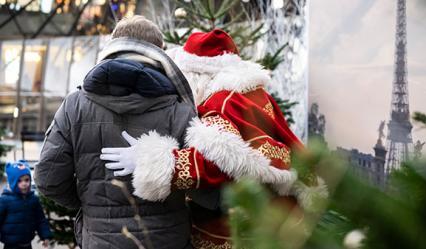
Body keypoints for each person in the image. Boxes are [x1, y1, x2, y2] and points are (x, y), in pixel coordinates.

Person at [101, 29, 327, 248]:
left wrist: (152, 162)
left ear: (197, 75)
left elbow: (220, 159)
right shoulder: (253, 93)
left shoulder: (220, 102)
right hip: (280, 218)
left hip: (241, 228)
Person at [34, 16, 196, 249]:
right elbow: (201, 182)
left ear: (113, 46)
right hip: (167, 240)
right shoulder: (179, 110)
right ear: (160, 52)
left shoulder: (74, 105)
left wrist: (90, 202)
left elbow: (48, 178)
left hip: (100, 240)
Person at [0, 160, 52, 249]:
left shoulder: (33, 199)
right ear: (12, 182)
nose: (24, 183)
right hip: (10, 245)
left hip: (27, 244)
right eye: (19, 181)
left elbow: (40, 219)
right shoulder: (5, 200)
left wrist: (45, 236)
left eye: (27, 180)